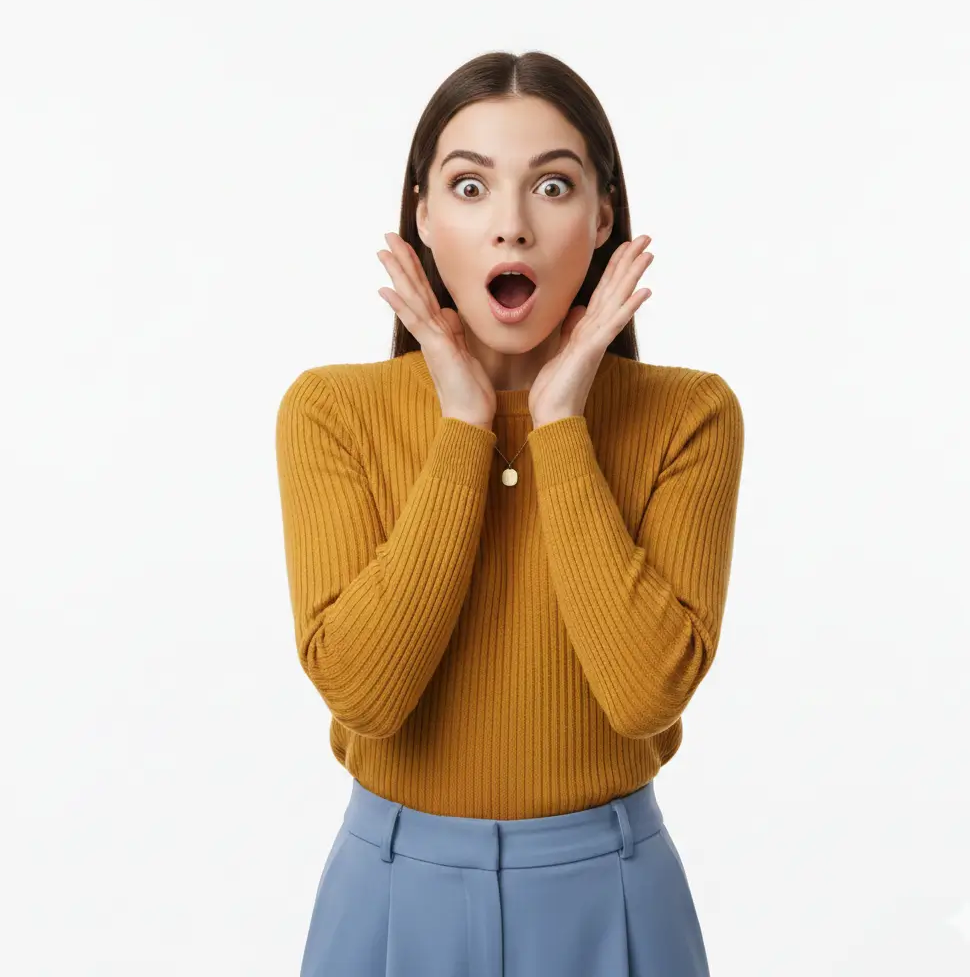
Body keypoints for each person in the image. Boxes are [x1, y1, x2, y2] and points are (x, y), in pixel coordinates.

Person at [275, 49, 744, 977]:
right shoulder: (331, 412)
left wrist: (561, 423)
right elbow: (367, 693)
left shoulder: (688, 416)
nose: (512, 228)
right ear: (421, 215)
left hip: (612, 896)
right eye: (470, 186)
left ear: (604, 218)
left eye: (554, 186)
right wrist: (465, 428)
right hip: (391, 895)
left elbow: (645, 692)